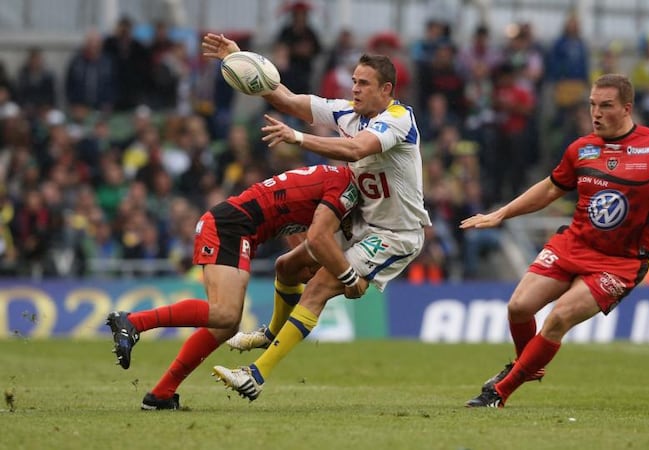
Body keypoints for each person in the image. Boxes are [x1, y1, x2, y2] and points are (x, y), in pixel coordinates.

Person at [460, 73, 649, 408]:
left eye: (605, 106)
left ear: (627, 108)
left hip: (619, 263)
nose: (596, 113)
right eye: (593, 105)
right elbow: (551, 188)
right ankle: (527, 365)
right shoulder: (581, 149)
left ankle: (500, 392)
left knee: (558, 319)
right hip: (574, 244)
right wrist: (502, 213)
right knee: (518, 307)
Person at [200, 33, 431, 401]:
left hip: (395, 233)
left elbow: (356, 150)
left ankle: (256, 375)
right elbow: (286, 99)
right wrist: (238, 58)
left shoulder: (400, 119)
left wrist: (298, 138)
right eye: (353, 81)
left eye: (363, 83)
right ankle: (271, 332)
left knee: (320, 286)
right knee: (286, 267)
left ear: (386, 88)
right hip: (359, 223)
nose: (354, 89)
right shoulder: (346, 112)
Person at [105, 164, 365, 410]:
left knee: (226, 325)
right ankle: (134, 322)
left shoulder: (327, 184)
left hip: (239, 229)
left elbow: (296, 228)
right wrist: (346, 275)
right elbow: (315, 237)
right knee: (225, 313)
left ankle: (161, 395)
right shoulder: (343, 188)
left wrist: (305, 263)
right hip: (229, 226)